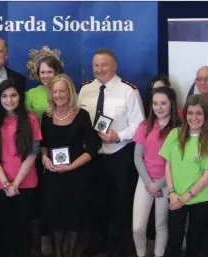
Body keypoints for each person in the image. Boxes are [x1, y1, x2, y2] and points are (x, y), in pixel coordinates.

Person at [78, 48, 145, 257]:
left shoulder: (128, 91)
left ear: (115, 66)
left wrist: (119, 135)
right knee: (95, 203)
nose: (100, 69)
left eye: (104, 65)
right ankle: (98, 242)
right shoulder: (85, 90)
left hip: (119, 155)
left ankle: (118, 248)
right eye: (96, 65)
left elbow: (140, 125)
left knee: (120, 204)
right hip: (92, 157)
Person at [159, 94, 208, 257]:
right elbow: (168, 166)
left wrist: (184, 199)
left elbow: (207, 175)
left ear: (206, 115)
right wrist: (172, 193)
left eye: (199, 113)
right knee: (174, 240)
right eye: (190, 113)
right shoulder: (175, 134)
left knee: (195, 242)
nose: (194, 118)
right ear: (185, 114)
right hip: (176, 196)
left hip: (201, 199)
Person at [41, 74, 98, 257]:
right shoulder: (47, 116)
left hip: (76, 176)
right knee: (57, 220)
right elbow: (43, 145)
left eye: (62, 91)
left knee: (74, 220)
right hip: (53, 177)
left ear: (70, 92)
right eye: (55, 91)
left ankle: (71, 253)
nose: (58, 95)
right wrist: (44, 158)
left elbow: (92, 149)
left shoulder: (82, 115)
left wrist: (72, 166)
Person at [0, 78, 42, 257]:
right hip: (1, 183)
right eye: (4, 96)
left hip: (25, 183)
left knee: (23, 227)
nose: (9, 100)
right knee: (5, 227)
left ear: (20, 97)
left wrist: (15, 184)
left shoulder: (31, 119)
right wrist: (6, 183)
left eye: (13, 95)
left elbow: (33, 153)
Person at [132, 86, 181, 257]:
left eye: (163, 103)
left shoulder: (179, 130)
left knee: (161, 225)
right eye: (155, 103)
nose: (159, 107)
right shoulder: (145, 126)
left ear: (172, 104)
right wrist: (149, 183)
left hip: (168, 182)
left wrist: (160, 184)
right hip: (145, 181)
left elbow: (178, 163)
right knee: (137, 226)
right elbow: (138, 156)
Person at [25, 54, 64, 256]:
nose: (46, 75)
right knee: (40, 197)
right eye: (42, 72)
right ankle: (42, 238)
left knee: (58, 195)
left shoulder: (65, 90)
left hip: (61, 150)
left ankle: (60, 239)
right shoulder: (31, 94)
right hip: (38, 152)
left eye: (50, 71)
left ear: (56, 72)